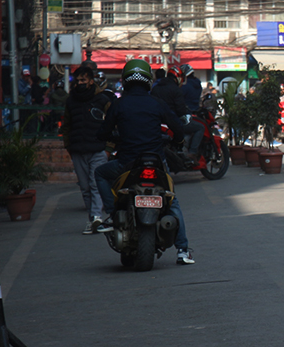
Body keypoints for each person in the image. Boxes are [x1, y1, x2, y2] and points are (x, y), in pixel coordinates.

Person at [93, 59, 195, 264]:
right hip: (156, 163)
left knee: (100, 173)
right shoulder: (156, 103)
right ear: (148, 81)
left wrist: (114, 137)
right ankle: (182, 250)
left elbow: (103, 133)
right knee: (172, 201)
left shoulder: (119, 104)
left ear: (125, 81)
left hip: (126, 164)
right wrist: (177, 140)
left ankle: (112, 215)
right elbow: (177, 127)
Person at [60, 67, 111, 234]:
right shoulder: (71, 101)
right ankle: (92, 219)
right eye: (78, 80)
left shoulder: (102, 100)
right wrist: (69, 146)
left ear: (91, 81)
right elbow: (67, 126)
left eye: (83, 80)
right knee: (85, 187)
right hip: (78, 151)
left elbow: (112, 123)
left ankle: (96, 217)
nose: (80, 83)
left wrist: (108, 149)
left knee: (95, 185)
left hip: (98, 150)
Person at [152, 67, 202, 161]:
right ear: (177, 77)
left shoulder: (155, 88)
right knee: (200, 127)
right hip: (172, 122)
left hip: (157, 122)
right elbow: (180, 111)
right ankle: (192, 152)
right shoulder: (176, 89)